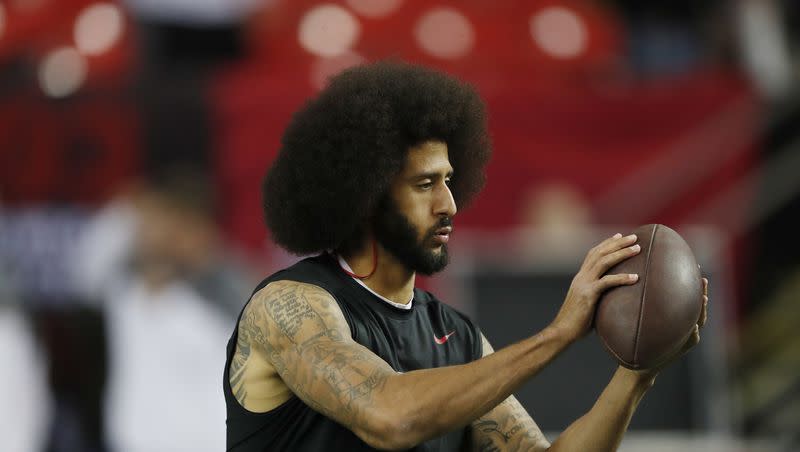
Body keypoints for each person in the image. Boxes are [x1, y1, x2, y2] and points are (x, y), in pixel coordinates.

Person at [223, 61, 709, 451]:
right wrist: (560, 333)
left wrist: (635, 376)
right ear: (365, 197)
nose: (449, 205)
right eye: (425, 185)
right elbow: (390, 418)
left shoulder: (458, 338)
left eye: (449, 181)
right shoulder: (288, 307)